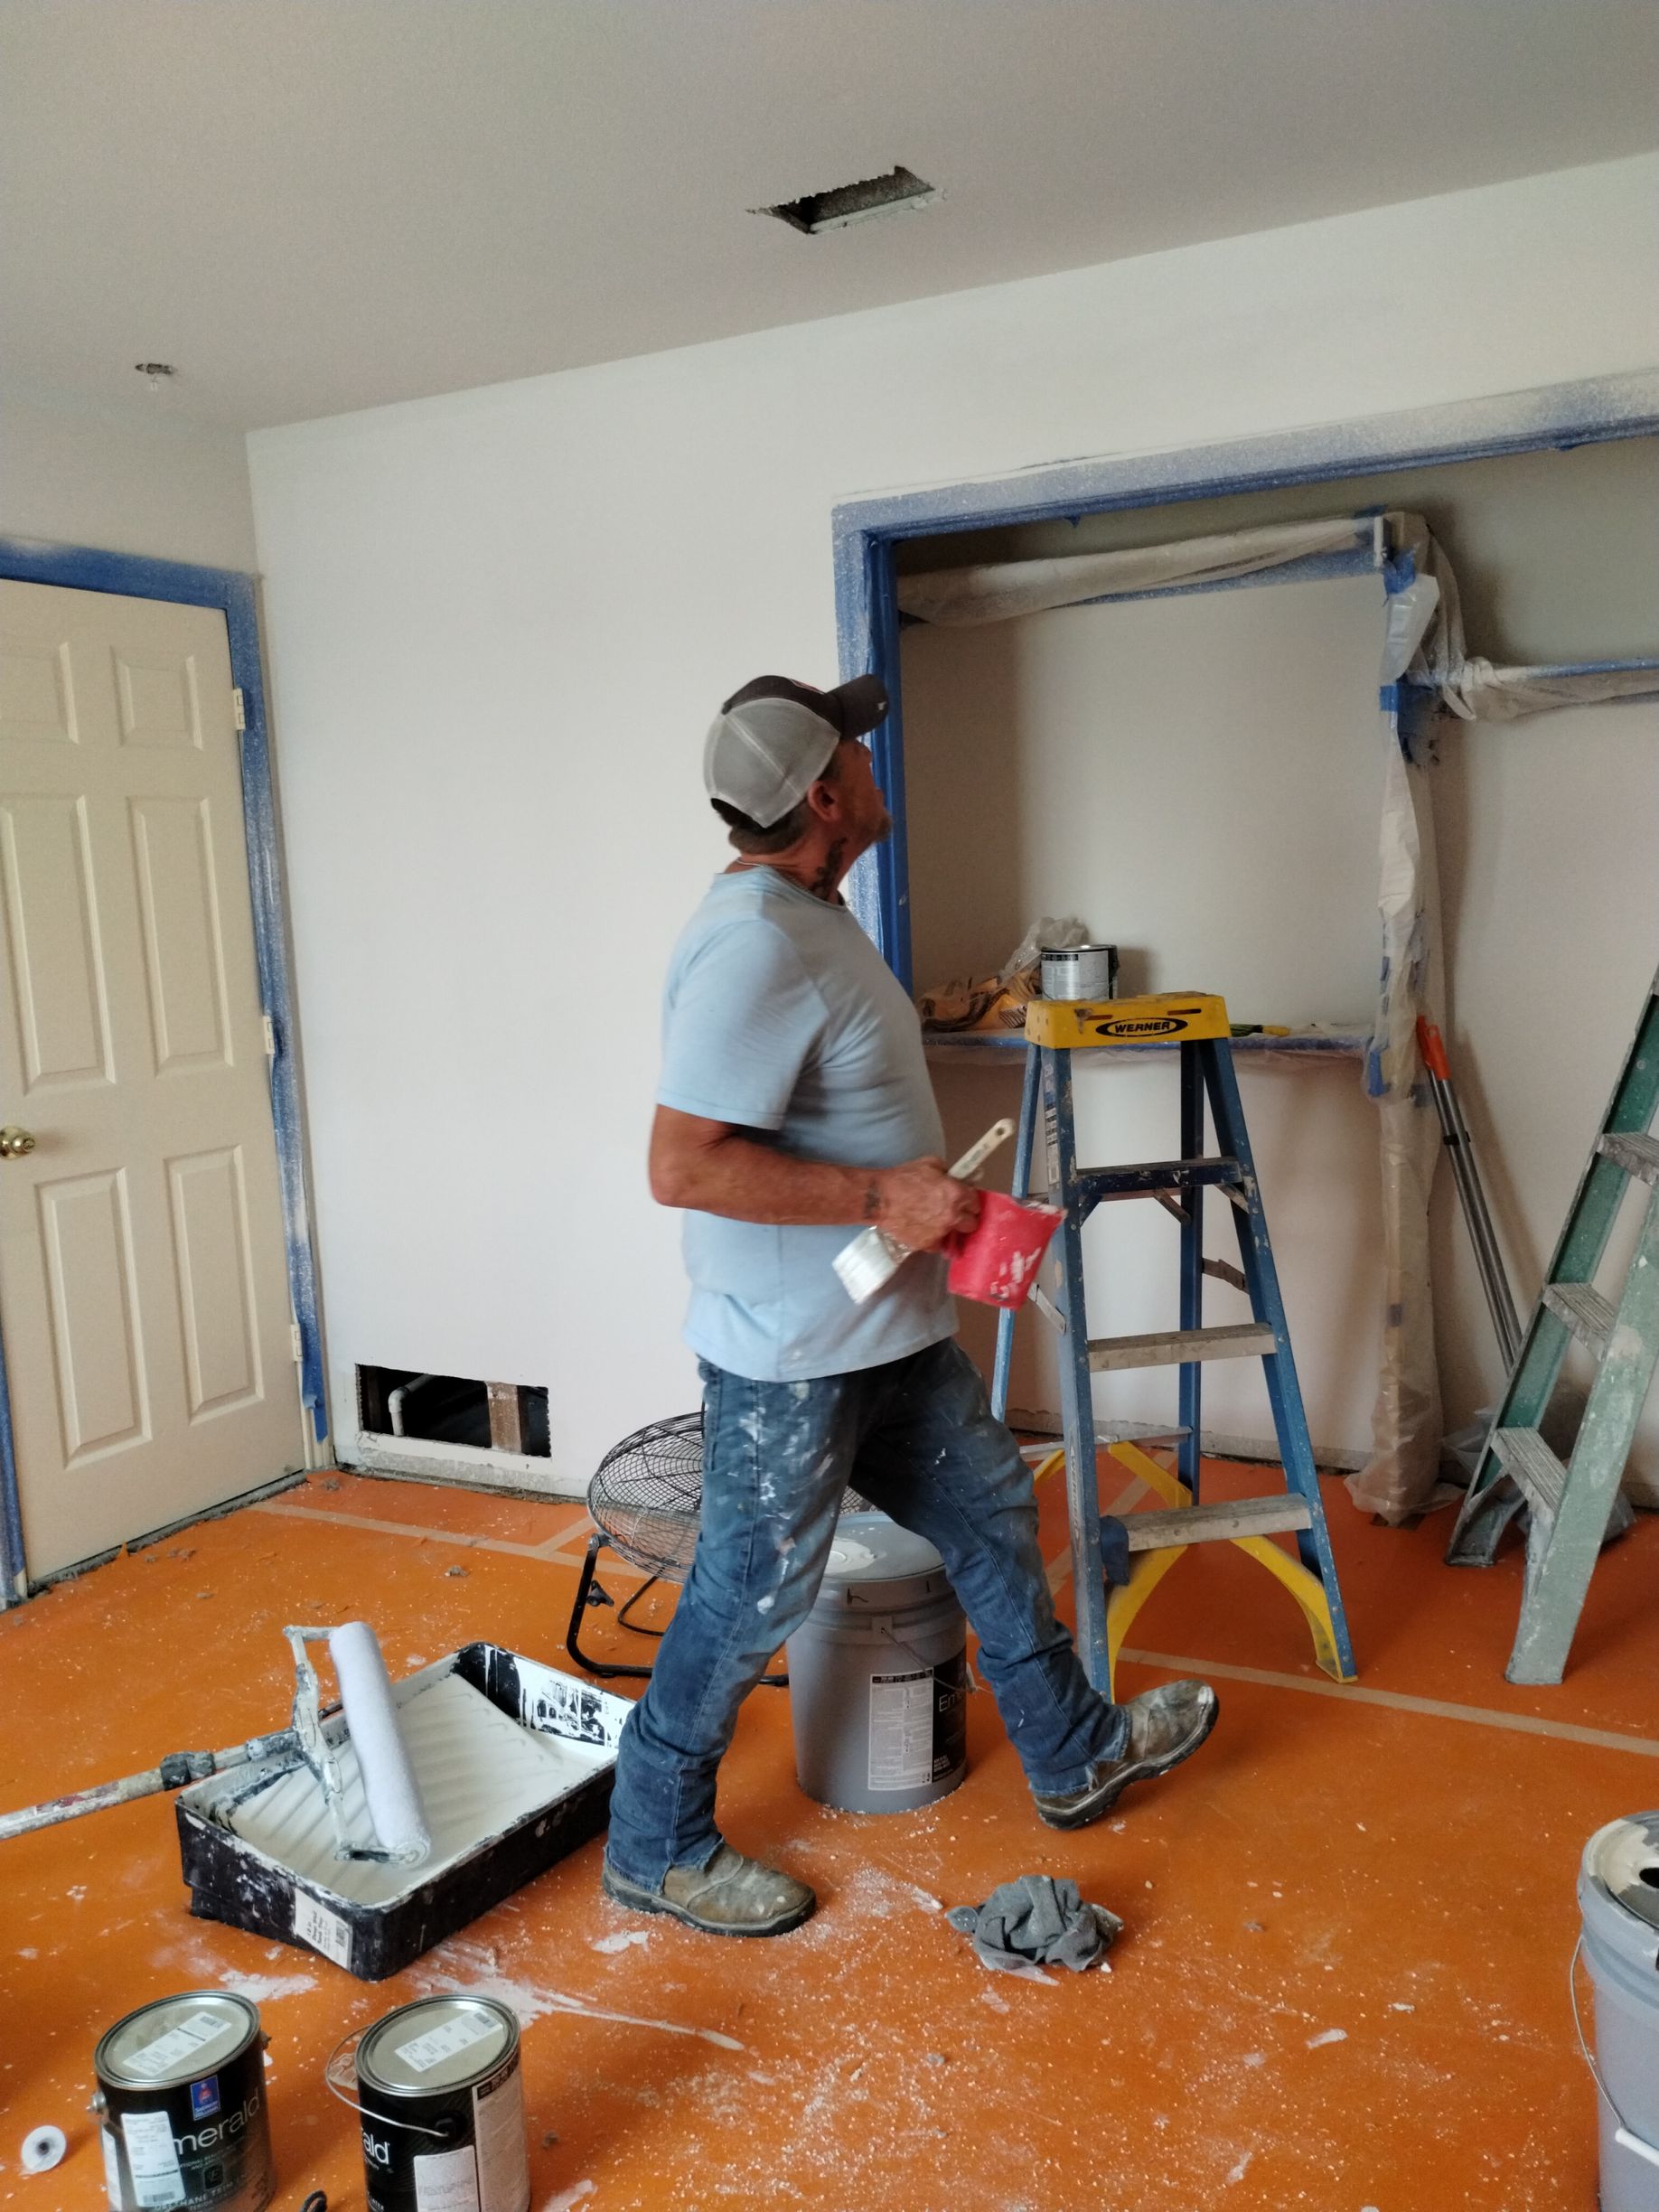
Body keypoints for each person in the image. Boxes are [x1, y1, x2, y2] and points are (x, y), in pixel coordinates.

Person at [602, 672, 1218, 1936]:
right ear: (827, 797)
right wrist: (886, 1195)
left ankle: (1071, 1751)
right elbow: (684, 1167)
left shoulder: (812, 915)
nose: (877, 767)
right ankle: (654, 1847)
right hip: (793, 1356)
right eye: (859, 757)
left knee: (989, 1514)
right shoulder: (755, 944)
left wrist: (911, 1201)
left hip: (883, 1330)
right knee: (750, 1593)